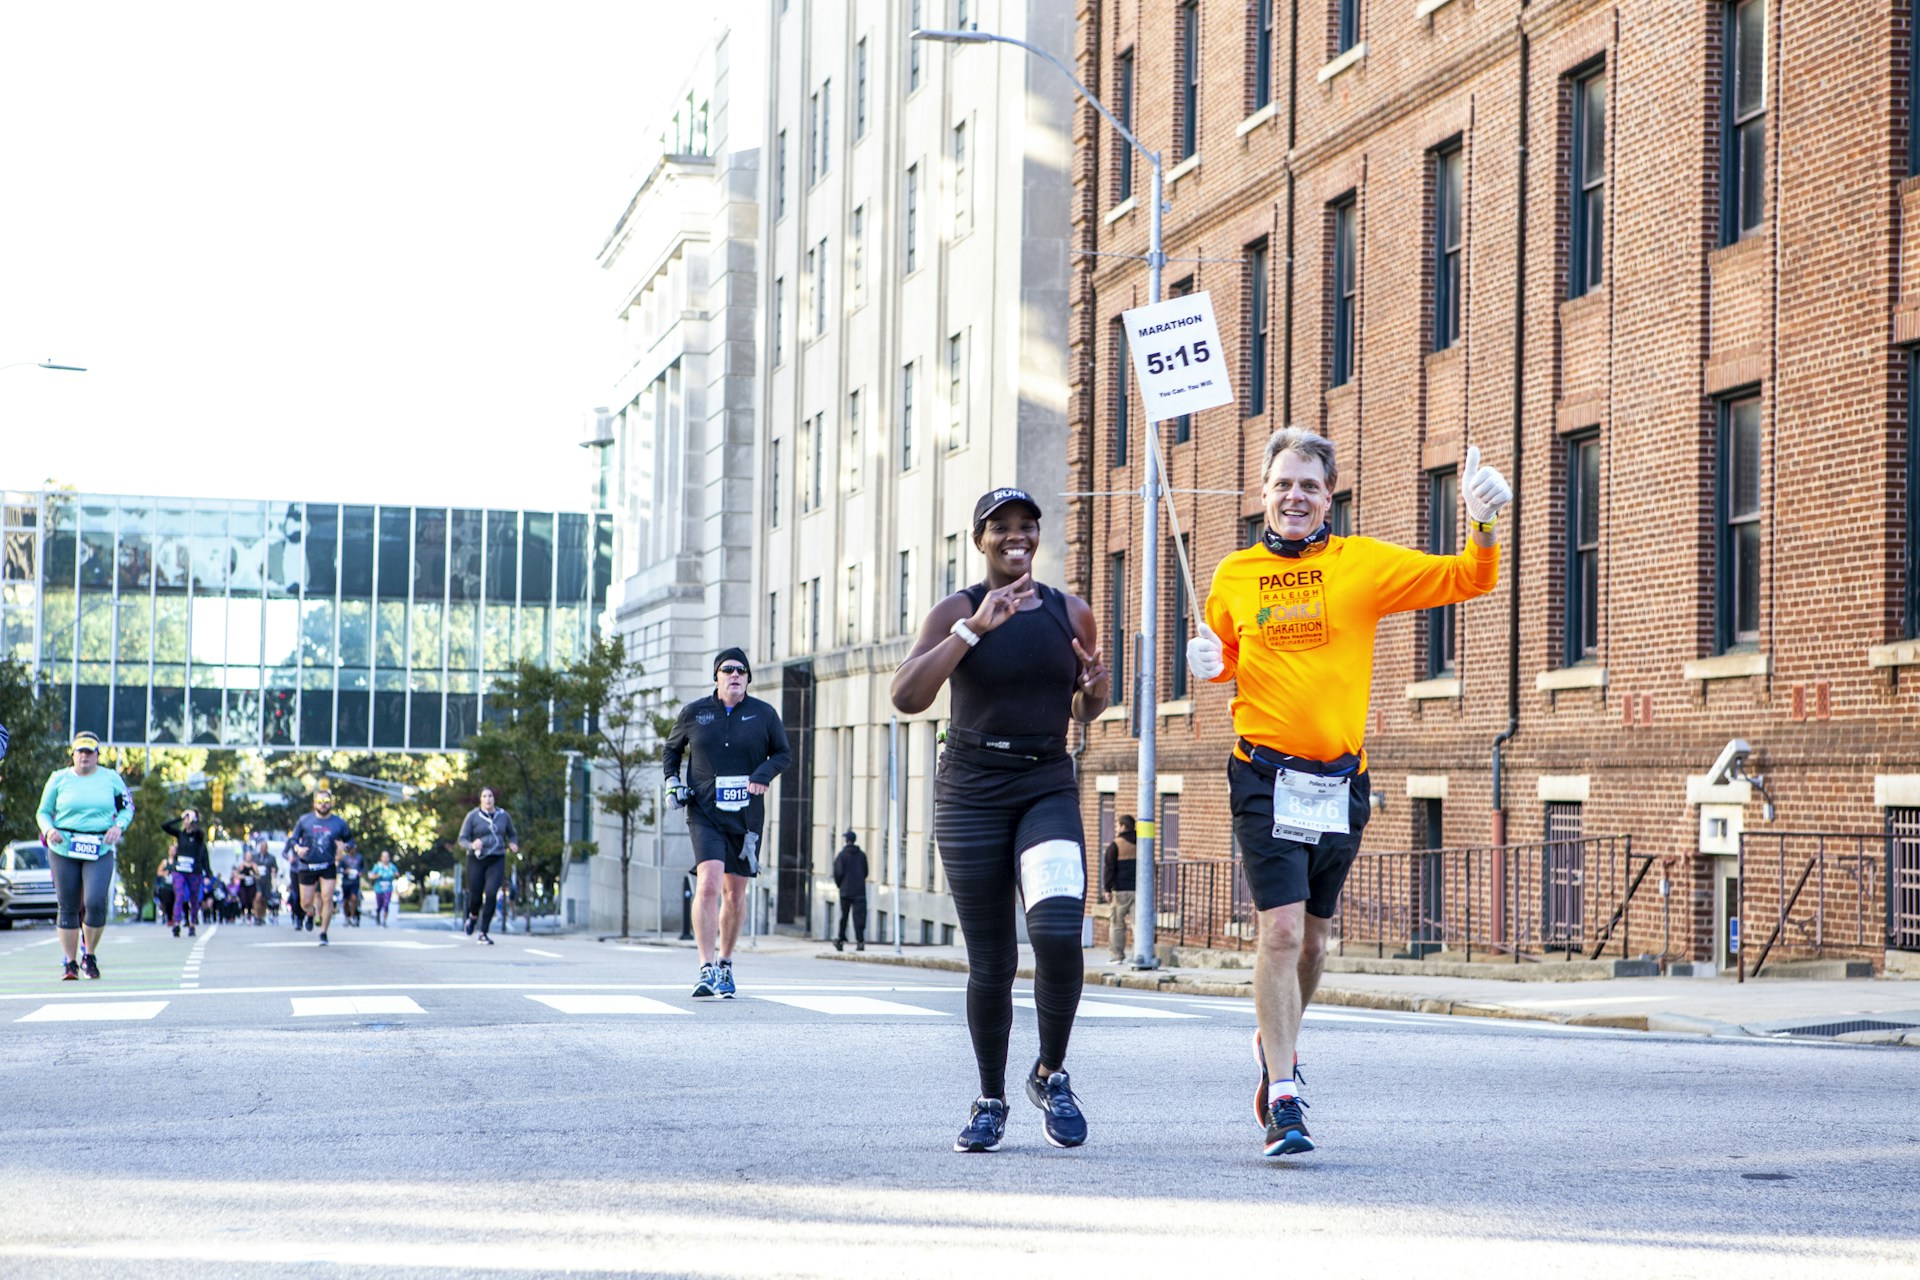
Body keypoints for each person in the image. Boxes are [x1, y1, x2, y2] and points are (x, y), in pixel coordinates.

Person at [1188, 428, 1509, 1158]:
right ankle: (1285, 1095)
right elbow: (1226, 660)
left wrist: (1483, 521)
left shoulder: (1359, 563)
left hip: (1337, 783)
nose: (1294, 496)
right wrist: (1205, 663)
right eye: (1282, 484)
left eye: (1309, 485)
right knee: (1281, 930)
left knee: (1317, 939)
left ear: (1328, 496)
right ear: (1263, 494)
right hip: (1264, 775)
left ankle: (1279, 1041)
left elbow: (1469, 578)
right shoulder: (1233, 574)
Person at [890, 487, 1109, 1153]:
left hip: (1045, 782)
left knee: (1058, 933)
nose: (1016, 537)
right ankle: (990, 1099)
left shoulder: (1070, 611)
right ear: (980, 540)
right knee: (992, 958)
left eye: (1027, 527)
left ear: (1039, 536)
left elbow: (1085, 710)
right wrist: (972, 630)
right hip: (971, 791)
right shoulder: (955, 610)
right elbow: (907, 696)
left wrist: (1095, 689)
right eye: (1002, 529)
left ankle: (1051, 1072)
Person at [663, 647, 793, 999]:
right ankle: (705, 968)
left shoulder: (764, 715)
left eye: (741, 670)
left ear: (749, 678)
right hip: (704, 812)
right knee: (708, 883)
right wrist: (672, 781)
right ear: (716, 677)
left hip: (747, 817)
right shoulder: (694, 713)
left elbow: (783, 754)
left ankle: (726, 963)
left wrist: (763, 774)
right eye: (727, 670)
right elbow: (671, 749)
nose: (734, 675)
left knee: (734, 895)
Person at [35, 732, 133, 980]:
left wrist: (118, 826)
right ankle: (70, 962)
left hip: (98, 847)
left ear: (97, 755)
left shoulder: (111, 779)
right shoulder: (58, 779)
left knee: (95, 901)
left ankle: (89, 954)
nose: (85, 757)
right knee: (67, 905)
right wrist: (49, 830)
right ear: (73, 755)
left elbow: (127, 807)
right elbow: (43, 812)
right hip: (64, 847)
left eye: (90, 752)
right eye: (80, 752)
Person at [284, 789, 355, 946]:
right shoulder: (305, 821)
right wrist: (298, 849)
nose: (323, 805)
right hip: (307, 865)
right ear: (314, 803)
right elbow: (293, 840)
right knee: (305, 902)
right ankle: (311, 913)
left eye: (326, 802)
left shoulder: (339, 823)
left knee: (327, 897)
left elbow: (351, 843)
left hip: (327, 865)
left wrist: (345, 847)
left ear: (331, 803)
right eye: (320, 802)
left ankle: (323, 932)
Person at [457, 788, 519, 945]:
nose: (488, 799)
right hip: (476, 859)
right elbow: (462, 839)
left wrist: (513, 843)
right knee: (476, 896)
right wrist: (472, 844)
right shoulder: (472, 816)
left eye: (490, 796)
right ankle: (472, 917)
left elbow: (512, 833)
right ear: (480, 799)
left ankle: (483, 932)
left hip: (496, 858)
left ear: (494, 799)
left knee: (491, 894)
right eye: (484, 796)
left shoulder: (503, 816)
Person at [162, 808, 214, 938]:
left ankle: (192, 923)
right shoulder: (181, 835)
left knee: (194, 898)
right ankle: (177, 923)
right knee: (179, 895)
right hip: (180, 871)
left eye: (189, 819)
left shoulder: (198, 837)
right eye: (185, 820)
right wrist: (180, 818)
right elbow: (165, 826)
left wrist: (208, 874)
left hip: (194, 872)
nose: (187, 822)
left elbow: (205, 858)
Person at [1100, 815, 1138, 965]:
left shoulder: (1115, 845)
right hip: (1139, 891)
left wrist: (1107, 888)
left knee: (1117, 924)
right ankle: (1140, 954)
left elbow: (1109, 869)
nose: (1116, 828)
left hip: (1120, 891)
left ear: (1123, 826)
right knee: (1138, 924)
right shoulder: (1142, 843)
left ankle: (1117, 955)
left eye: (1117, 825)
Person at [830, 830, 869, 953]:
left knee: (844, 917)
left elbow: (838, 873)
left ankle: (840, 940)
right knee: (859, 917)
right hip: (859, 891)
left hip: (845, 891)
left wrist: (840, 885)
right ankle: (860, 941)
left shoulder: (842, 856)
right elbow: (866, 872)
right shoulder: (862, 855)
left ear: (847, 841)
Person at [250, 835, 277, 926]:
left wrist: (274, 872)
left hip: (266, 881)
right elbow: (249, 867)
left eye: (264, 847)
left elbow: (275, 868)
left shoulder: (271, 858)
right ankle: (256, 915)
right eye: (261, 847)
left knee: (264, 900)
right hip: (257, 881)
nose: (262, 849)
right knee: (258, 896)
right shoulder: (255, 857)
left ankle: (261, 916)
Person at [369, 851, 399, 926]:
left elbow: (397, 874)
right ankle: (378, 913)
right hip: (379, 889)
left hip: (388, 888)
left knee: (386, 904)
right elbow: (371, 876)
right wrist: (377, 876)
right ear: (381, 858)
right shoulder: (377, 866)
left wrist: (396, 875)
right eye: (384, 856)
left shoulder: (392, 866)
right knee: (379, 905)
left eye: (387, 856)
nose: (385, 858)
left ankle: (384, 921)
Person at [338, 847, 365, 927]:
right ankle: (347, 916)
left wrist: (361, 873)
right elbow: (339, 869)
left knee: (354, 899)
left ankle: (353, 917)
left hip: (355, 882)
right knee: (346, 901)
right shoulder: (344, 858)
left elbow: (363, 868)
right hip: (346, 882)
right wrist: (345, 871)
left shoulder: (359, 857)